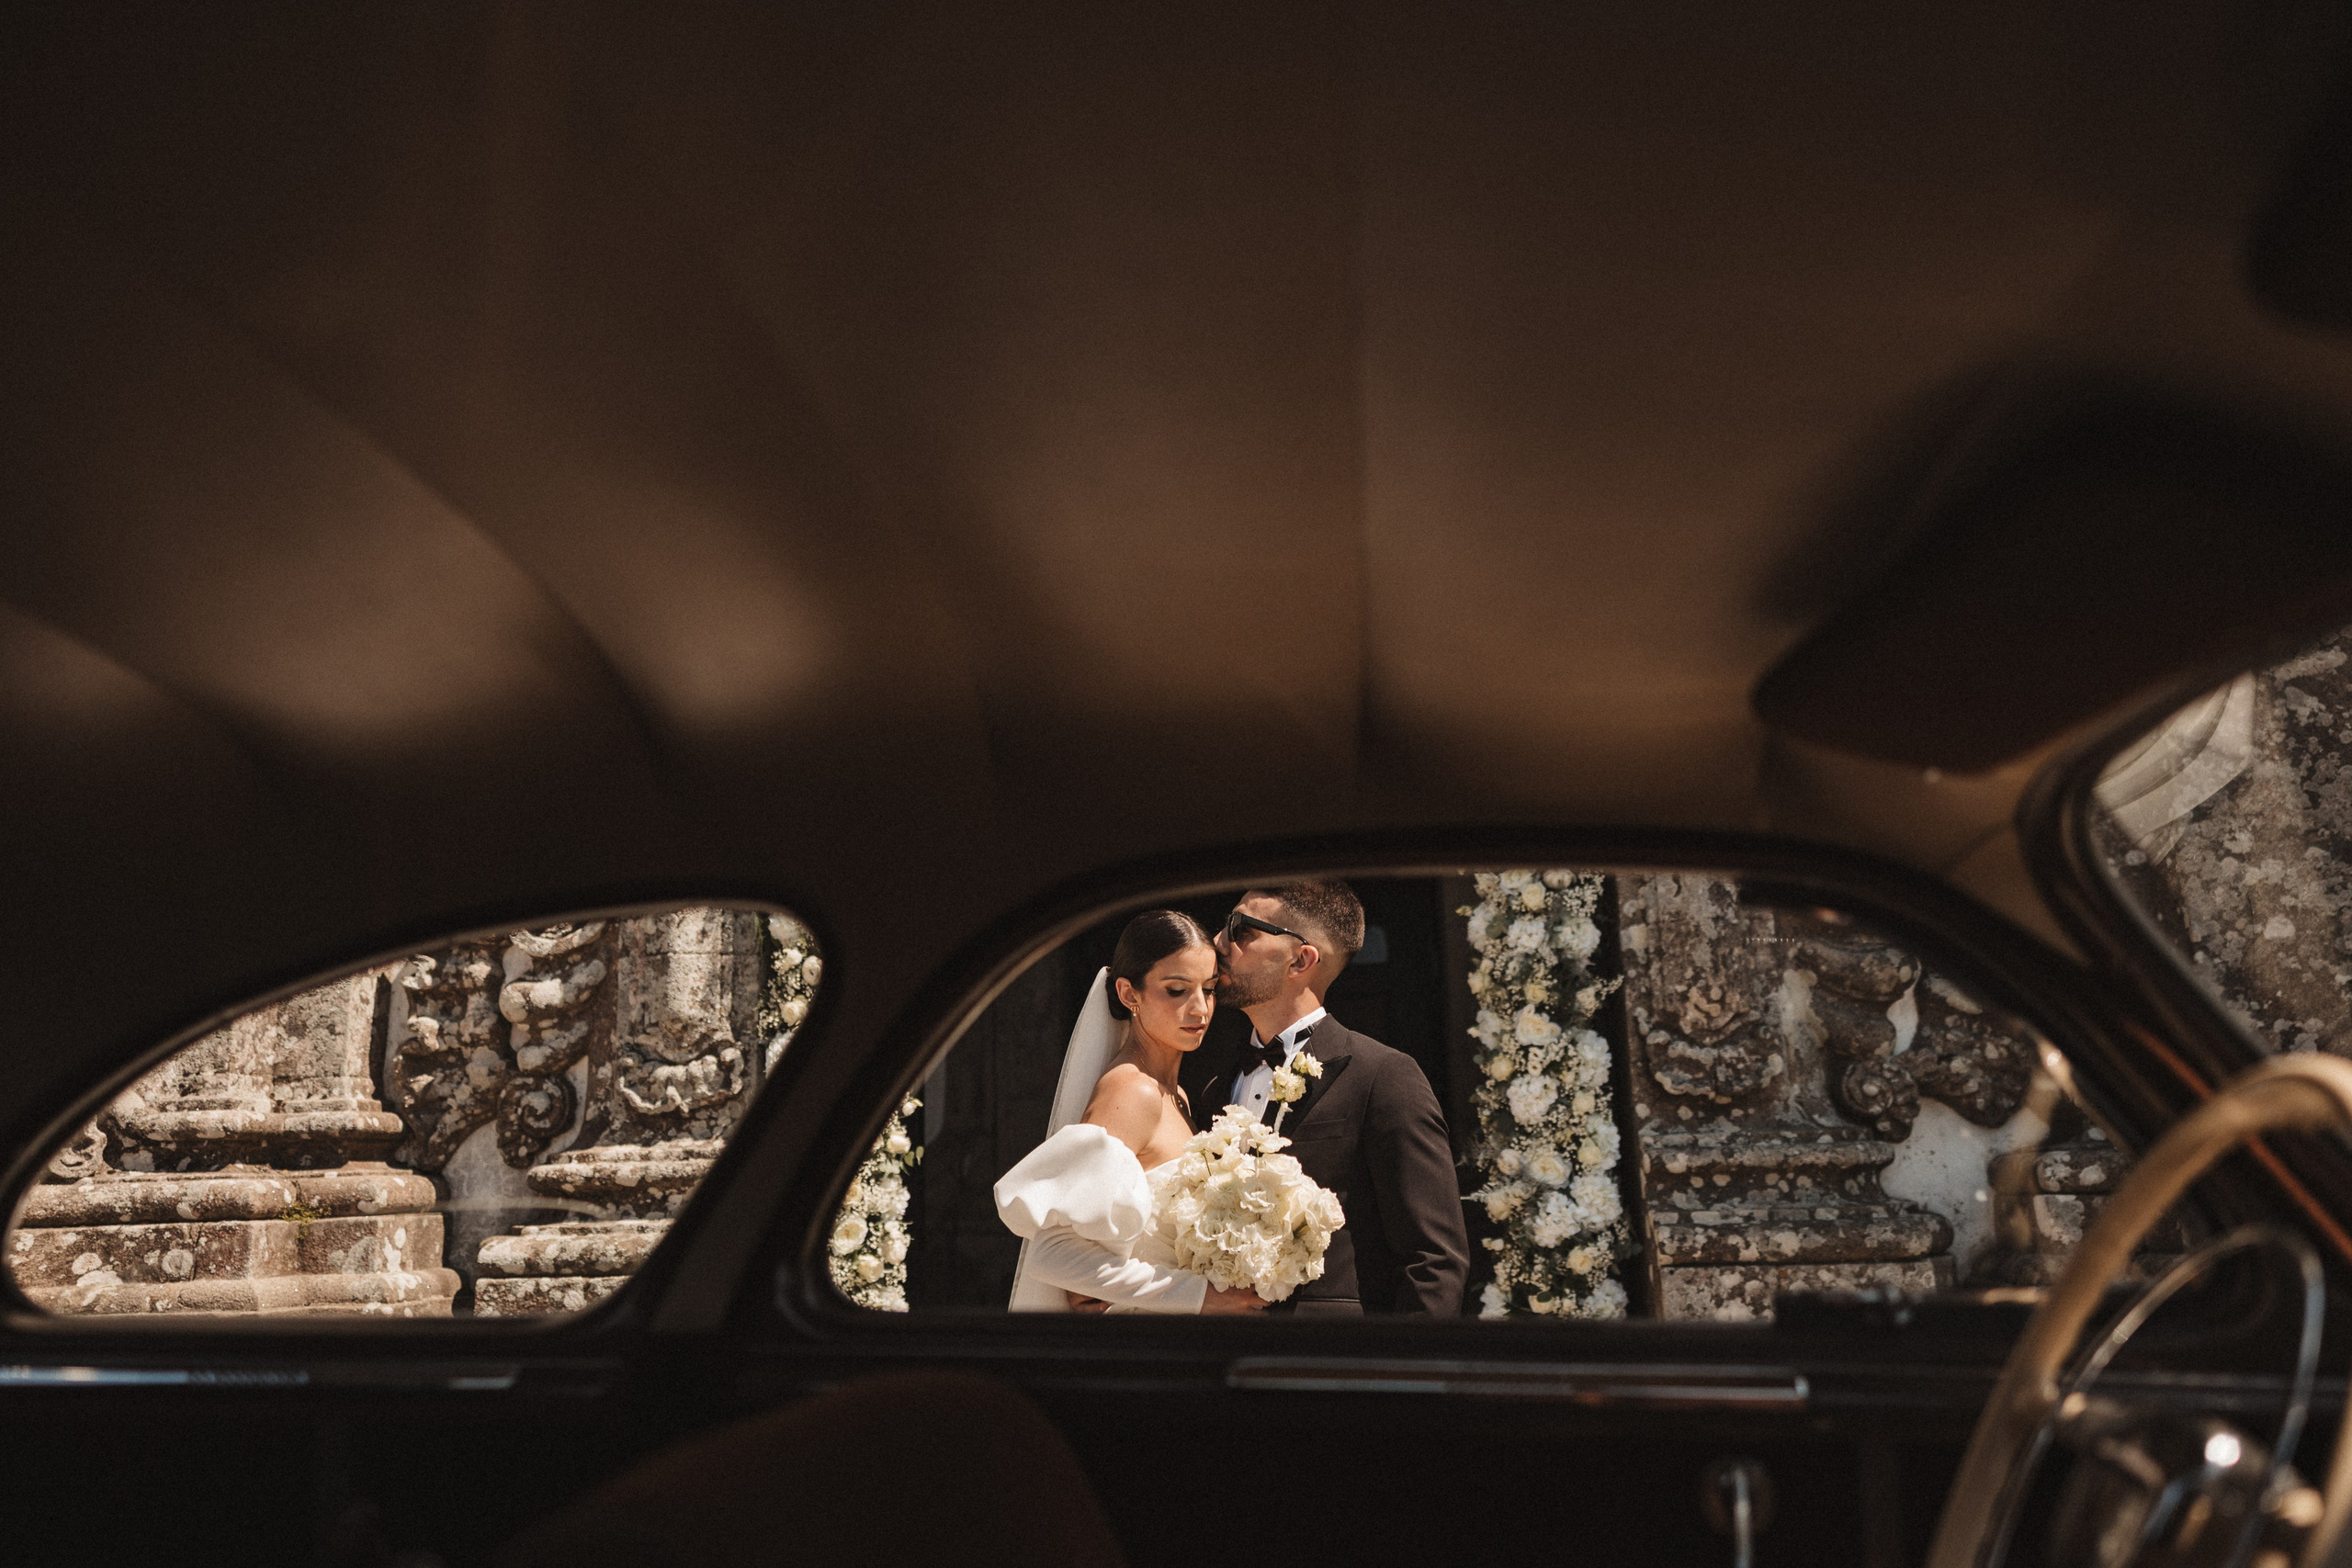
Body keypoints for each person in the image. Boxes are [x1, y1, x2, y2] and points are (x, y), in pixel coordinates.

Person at [1182, 880, 1468, 1314]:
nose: (1218, 942)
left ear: (1301, 959)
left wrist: (1399, 1376)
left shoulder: (1384, 1075)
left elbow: (1434, 1260)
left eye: (1241, 929)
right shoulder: (1214, 1085)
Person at [992, 910, 1268, 1314]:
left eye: (1208, 989)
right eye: (1176, 990)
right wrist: (1200, 1297)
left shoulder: (1178, 1096)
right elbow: (1052, 1253)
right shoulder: (1133, 1090)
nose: (1200, 1010)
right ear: (1128, 994)